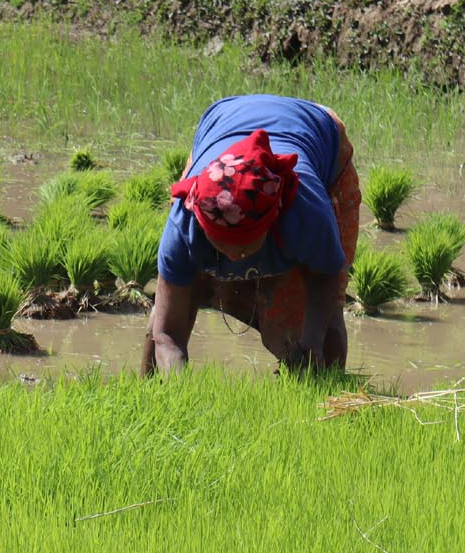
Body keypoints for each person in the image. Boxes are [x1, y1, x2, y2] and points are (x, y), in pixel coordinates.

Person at [142, 93, 360, 376]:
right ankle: (145, 391)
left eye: (245, 247)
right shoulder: (185, 220)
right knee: (167, 312)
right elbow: (168, 335)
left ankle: (327, 397)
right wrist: (180, 396)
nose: (234, 256)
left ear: (272, 222)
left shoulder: (306, 212)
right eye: (222, 245)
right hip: (222, 123)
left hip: (317, 129)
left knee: (324, 321)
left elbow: (326, 280)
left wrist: (312, 346)